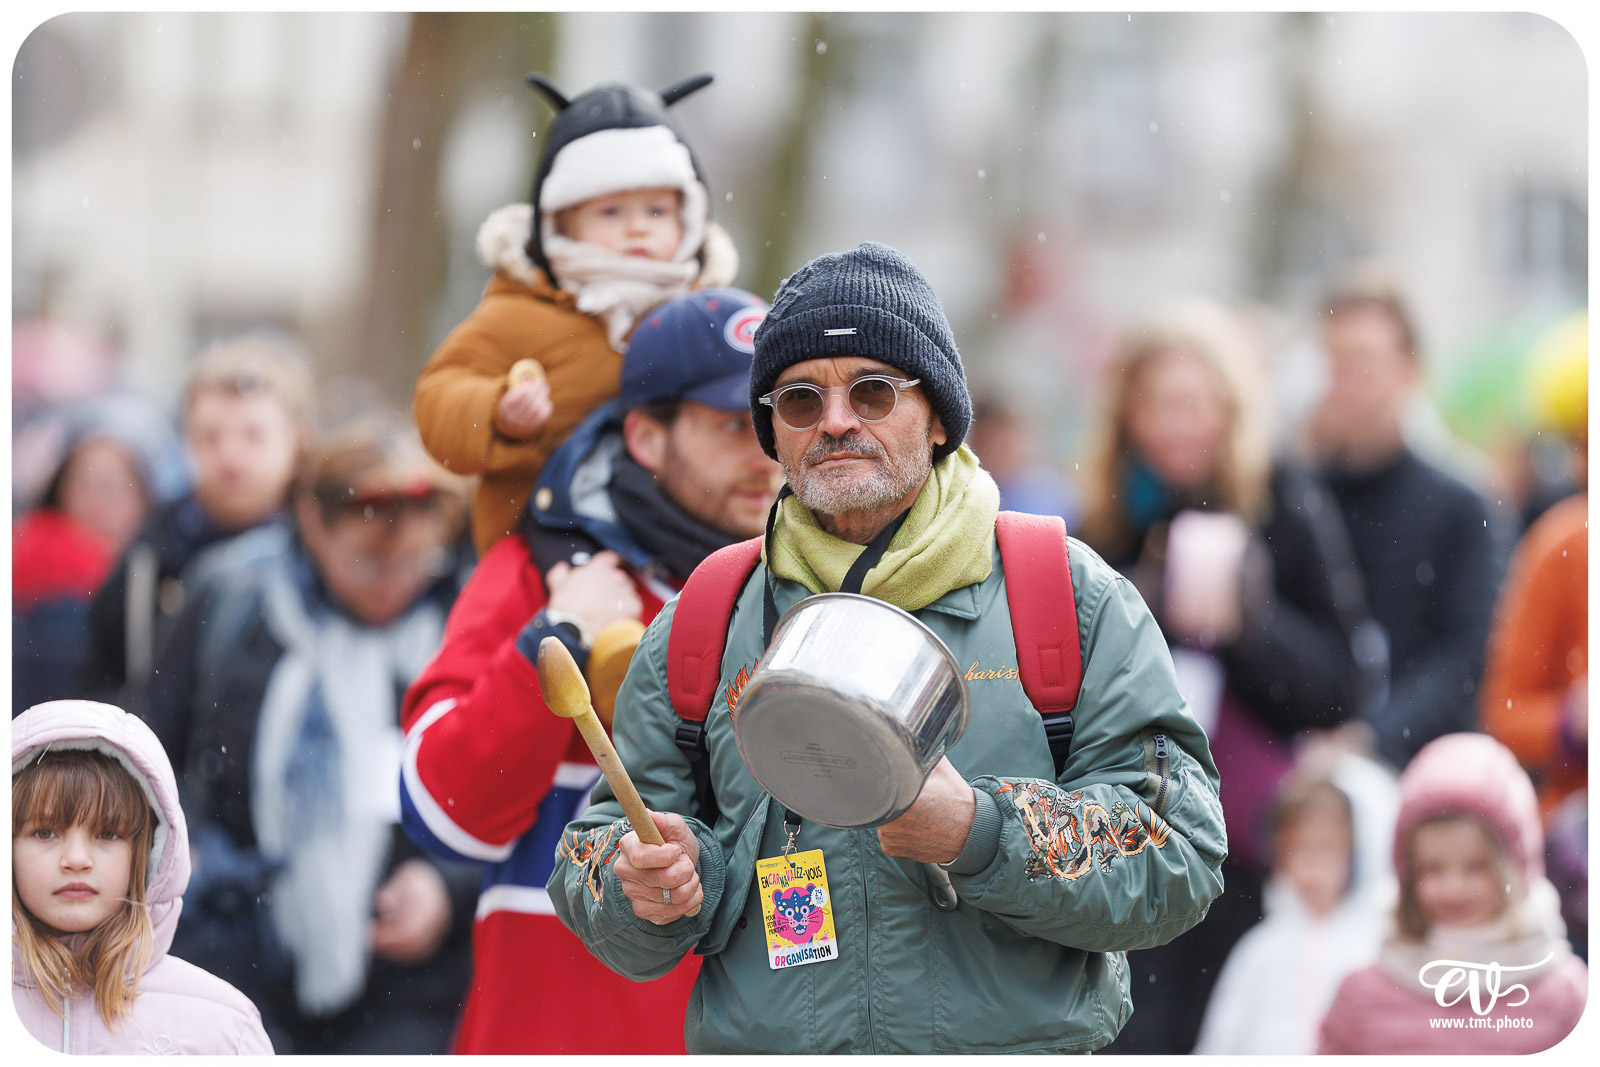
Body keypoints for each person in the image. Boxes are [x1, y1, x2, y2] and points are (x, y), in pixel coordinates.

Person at [546, 242, 1227, 1054]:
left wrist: (980, 832)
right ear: (775, 432)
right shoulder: (709, 615)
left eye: (872, 390)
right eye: (799, 400)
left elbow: (1181, 852)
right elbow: (594, 857)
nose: (835, 421)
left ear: (937, 414)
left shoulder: (1066, 597)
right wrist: (649, 884)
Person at [398, 288, 781, 1053]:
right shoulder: (538, 575)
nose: (764, 455)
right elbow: (442, 812)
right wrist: (560, 634)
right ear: (644, 435)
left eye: (776, 421)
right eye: (734, 427)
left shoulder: (822, 587)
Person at [1073, 299, 1376, 1053]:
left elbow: (1341, 684)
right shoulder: (1106, 523)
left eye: (1192, 403)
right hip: (1127, 830)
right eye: (1155, 403)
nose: (1174, 424)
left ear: (1229, 407)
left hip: (1245, 837)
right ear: (1125, 414)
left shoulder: (1284, 502)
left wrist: (1249, 621)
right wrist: (1136, 608)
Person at [139, 415, 476, 1054]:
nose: (394, 586)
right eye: (369, 563)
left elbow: (511, 784)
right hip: (242, 949)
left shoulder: (464, 617)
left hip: (415, 983)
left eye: (416, 562)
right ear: (313, 525)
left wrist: (447, 885)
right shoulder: (233, 596)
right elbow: (151, 750)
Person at [414, 73, 740, 556]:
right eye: (610, 211)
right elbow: (437, 402)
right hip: (535, 555)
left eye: (656, 211)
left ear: (689, 216)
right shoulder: (520, 311)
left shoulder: (713, 317)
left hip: (685, 552)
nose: (636, 228)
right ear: (559, 222)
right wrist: (499, 414)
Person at [1303, 278, 1508, 768]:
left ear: (1408, 369)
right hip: (1311, 762)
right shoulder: (1301, 496)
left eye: (1364, 362)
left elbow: (1466, 657)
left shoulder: (1463, 503)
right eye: (1335, 363)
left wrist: (1372, 739)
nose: (1347, 382)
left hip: (1426, 766)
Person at [12, 699, 274, 1054]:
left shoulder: (220, 1028)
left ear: (149, 852)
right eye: (45, 833)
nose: (76, 859)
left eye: (107, 834)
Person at [82, 334, 313, 709]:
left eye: (253, 436)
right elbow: (100, 695)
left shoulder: (325, 558)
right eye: (210, 436)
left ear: (298, 442)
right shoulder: (144, 561)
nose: (230, 456)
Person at [1317, 733, 1587, 1054]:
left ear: (1514, 870)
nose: (1453, 889)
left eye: (1475, 867)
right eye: (1432, 869)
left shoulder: (1565, 997)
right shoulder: (1362, 999)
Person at [1193, 750, 1398, 1054]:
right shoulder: (1261, 949)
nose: (1312, 867)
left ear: (1352, 854)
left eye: (1326, 849)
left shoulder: (1376, 947)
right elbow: (1221, 1041)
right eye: (1299, 851)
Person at [13, 401, 180, 713]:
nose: (99, 501)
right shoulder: (22, 565)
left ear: (146, 496)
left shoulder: (167, 579)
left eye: (115, 486)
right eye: (85, 483)